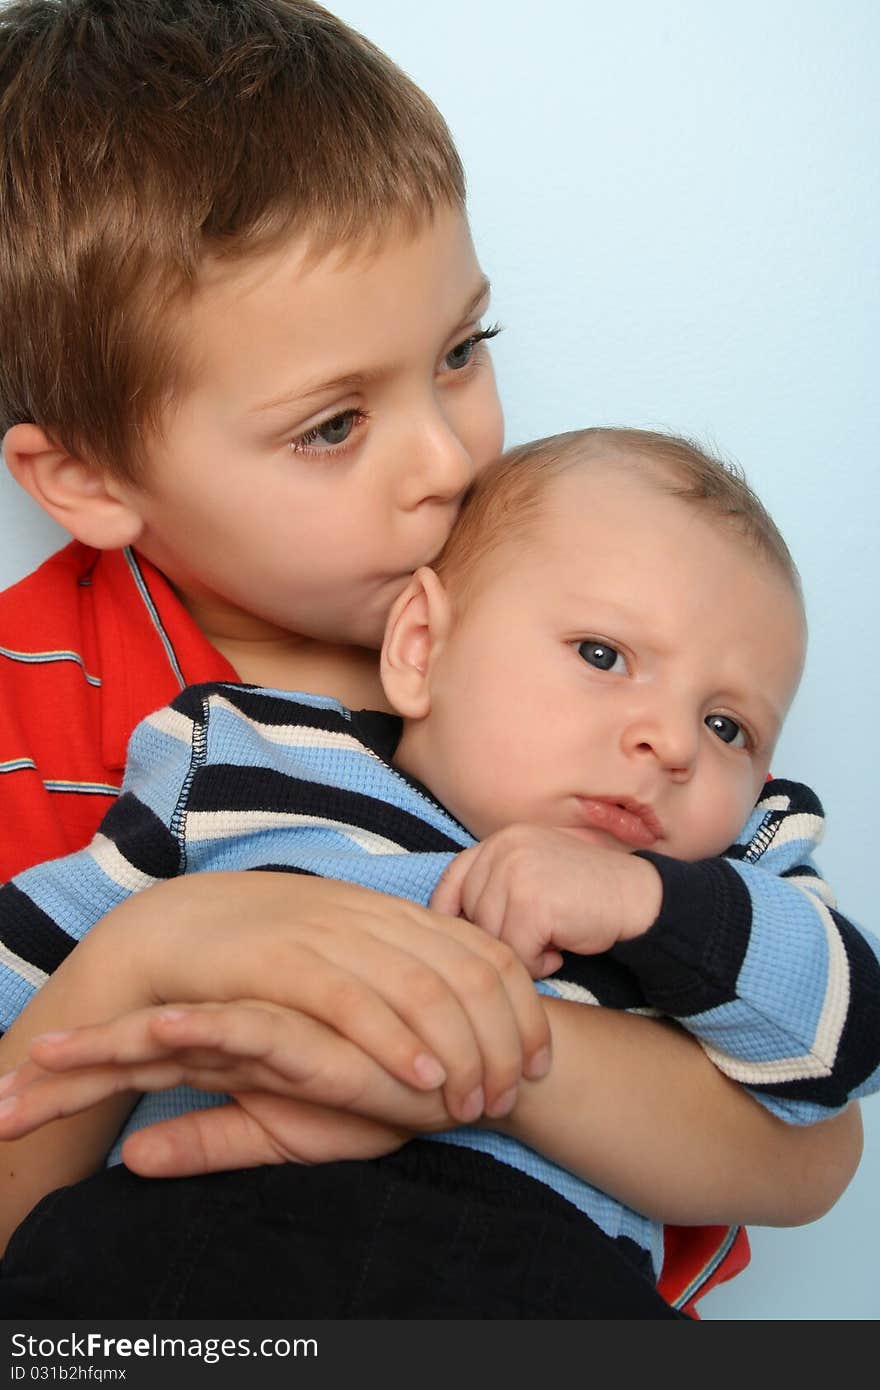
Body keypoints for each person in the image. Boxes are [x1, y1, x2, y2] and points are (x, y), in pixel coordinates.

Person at [0, 0, 861, 1315]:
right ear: (88, 475)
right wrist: (161, 947)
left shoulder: (617, 649)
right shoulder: (67, 723)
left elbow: (808, 1150)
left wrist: (471, 1055)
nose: (450, 461)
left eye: (464, 351)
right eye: (334, 424)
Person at [1, 427, 877, 1318]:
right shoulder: (246, 762)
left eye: (730, 727)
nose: (675, 744)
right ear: (421, 645)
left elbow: (848, 1045)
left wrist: (652, 905)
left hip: (538, 1282)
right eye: (604, 656)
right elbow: (41, 967)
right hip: (186, 1246)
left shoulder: (728, 872)